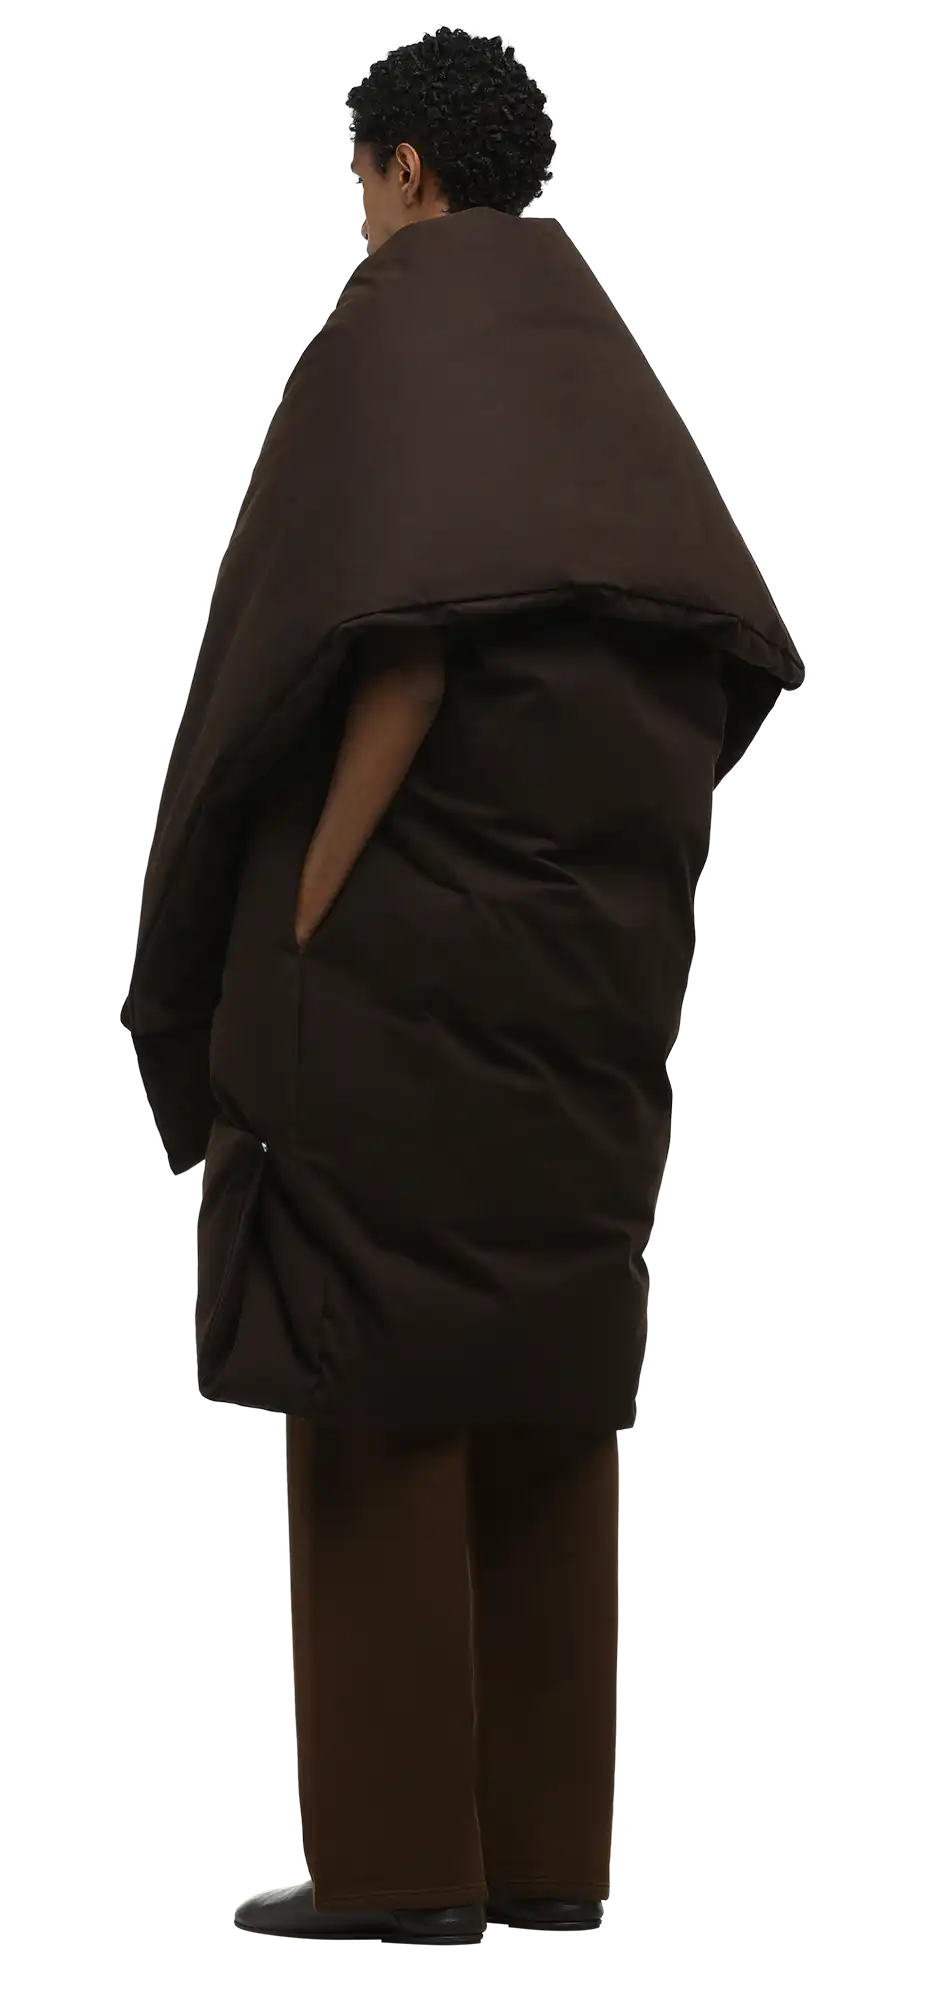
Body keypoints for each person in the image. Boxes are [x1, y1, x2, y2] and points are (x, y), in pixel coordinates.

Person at [121, 25, 805, 1953]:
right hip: (583, 983)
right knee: (543, 1377)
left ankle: (404, 1867)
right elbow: (706, 664)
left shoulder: (398, 338)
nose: (357, 214)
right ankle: (544, 1857)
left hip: (403, 962)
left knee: (371, 1384)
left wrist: (306, 904)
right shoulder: (606, 379)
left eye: (356, 178)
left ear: (404, 167)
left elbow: (395, 654)